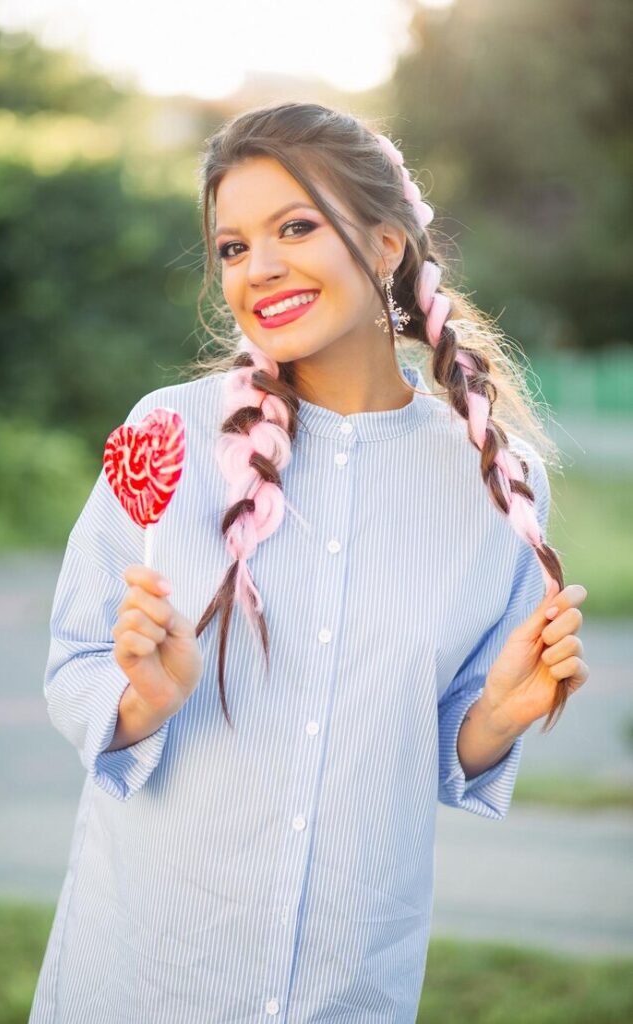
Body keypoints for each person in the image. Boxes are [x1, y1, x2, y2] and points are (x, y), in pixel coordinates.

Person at [29, 102, 589, 1023]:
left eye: (295, 227)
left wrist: (494, 716)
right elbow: (76, 666)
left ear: (384, 245)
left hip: (347, 982)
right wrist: (142, 699)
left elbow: (443, 740)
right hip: (145, 973)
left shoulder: (496, 480)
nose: (260, 268)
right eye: (232, 247)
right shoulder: (168, 434)